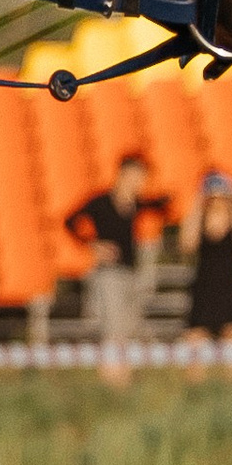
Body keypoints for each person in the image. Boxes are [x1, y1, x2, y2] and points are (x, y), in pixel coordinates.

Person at [66, 152, 171, 387]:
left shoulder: (135, 204)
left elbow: (162, 206)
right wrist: (93, 244)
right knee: (112, 330)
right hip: (109, 274)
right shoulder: (102, 202)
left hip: (129, 274)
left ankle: (124, 381)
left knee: (127, 329)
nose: (139, 182)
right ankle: (112, 383)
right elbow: (70, 220)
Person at [181, 170, 232, 372]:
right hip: (205, 288)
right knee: (196, 346)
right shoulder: (199, 219)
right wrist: (198, 205)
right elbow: (187, 244)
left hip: (229, 288)